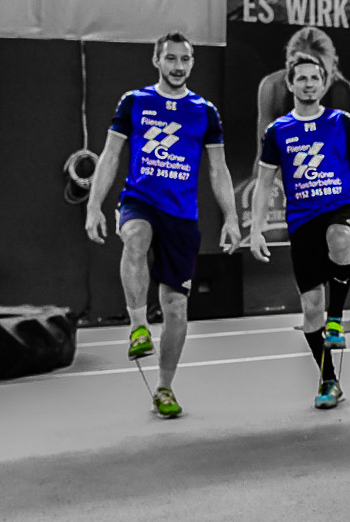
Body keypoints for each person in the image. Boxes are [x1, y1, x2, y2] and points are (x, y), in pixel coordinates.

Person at [85, 31, 243, 418]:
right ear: (157, 61)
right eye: (170, 59)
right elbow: (109, 156)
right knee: (135, 237)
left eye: (184, 60)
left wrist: (232, 217)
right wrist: (94, 206)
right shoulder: (135, 102)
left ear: (192, 64)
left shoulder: (204, 111)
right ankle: (138, 326)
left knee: (175, 306)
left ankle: (165, 387)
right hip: (140, 199)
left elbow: (218, 169)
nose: (177, 66)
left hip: (182, 214)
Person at [250, 52, 350, 410]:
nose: (309, 84)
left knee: (339, 238)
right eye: (302, 78)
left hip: (339, 205)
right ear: (291, 84)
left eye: (315, 78)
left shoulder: (341, 122)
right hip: (302, 219)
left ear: (324, 84)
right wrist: (256, 229)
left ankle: (337, 319)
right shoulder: (277, 131)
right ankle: (328, 380)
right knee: (311, 311)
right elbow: (263, 183)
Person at [246, 27, 350, 243]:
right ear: (289, 70)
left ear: (332, 68)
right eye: (300, 72)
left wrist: (349, 212)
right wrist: (259, 219)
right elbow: (263, 158)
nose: (309, 85)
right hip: (289, 178)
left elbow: (349, 161)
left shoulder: (343, 92)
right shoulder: (272, 87)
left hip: (327, 183)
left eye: (317, 75)